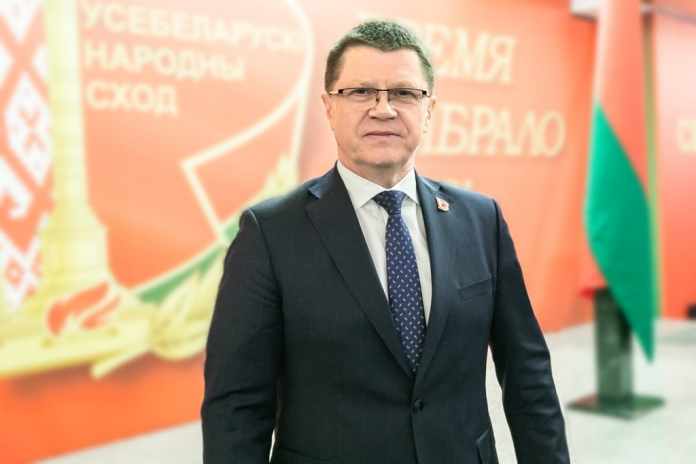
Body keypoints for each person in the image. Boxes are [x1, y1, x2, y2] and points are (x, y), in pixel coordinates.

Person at [201, 21, 570, 464]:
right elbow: (237, 407)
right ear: (328, 107)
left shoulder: (480, 220)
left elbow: (528, 374)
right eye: (360, 92)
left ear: (429, 109)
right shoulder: (270, 233)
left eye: (404, 93)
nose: (383, 109)